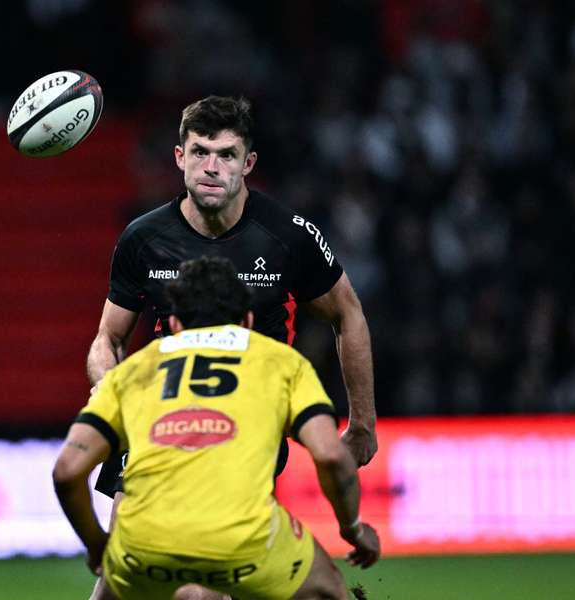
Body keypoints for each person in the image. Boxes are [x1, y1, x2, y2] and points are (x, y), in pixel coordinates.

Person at [87, 95, 378, 599]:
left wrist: (364, 421)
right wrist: (117, 396)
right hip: (161, 413)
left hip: (245, 424)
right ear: (179, 158)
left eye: (226, 155)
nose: (211, 167)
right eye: (199, 152)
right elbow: (106, 339)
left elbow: (347, 312)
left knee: (196, 583)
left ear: (249, 164)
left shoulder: (287, 236)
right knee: (127, 572)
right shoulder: (143, 238)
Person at [55, 256, 380, 600]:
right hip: (243, 542)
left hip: (143, 544)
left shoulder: (133, 372)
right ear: (247, 320)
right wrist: (353, 529)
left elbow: (66, 471)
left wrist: (95, 546)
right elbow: (331, 456)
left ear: (176, 323)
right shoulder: (280, 363)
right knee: (327, 589)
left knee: (119, 586)